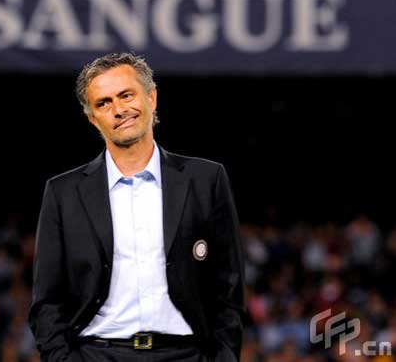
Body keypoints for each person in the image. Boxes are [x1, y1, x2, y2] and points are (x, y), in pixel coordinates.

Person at [29, 52, 245, 361]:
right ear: (92, 118)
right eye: (104, 103)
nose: (118, 109)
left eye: (126, 95)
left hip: (187, 354)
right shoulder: (63, 192)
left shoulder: (206, 179)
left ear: (151, 97)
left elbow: (229, 285)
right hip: (96, 355)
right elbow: (47, 300)